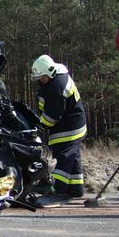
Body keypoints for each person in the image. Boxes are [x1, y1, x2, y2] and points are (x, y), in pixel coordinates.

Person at [31, 54, 87, 206]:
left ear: (49, 72)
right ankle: (75, 189)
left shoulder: (57, 86)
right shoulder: (56, 80)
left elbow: (52, 114)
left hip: (69, 127)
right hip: (73, 124)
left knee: (63, 156)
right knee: (73, 156)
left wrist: (40, 126)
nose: (40, 81)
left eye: (42, 77)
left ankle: (58, 191)